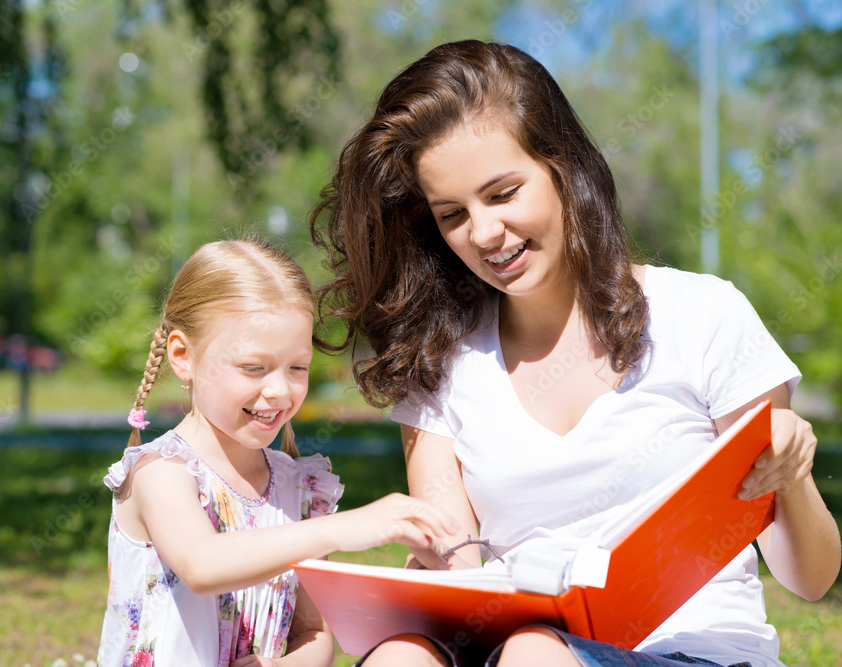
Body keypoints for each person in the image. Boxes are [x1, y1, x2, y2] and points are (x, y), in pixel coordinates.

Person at [309, 40, 840, 667]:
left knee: (536, 652)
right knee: (410, 657)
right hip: (515, 647)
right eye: (452, 214)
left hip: (695, 655)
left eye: (503, 193)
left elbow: (809, 581)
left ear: (564, 168)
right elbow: (454, 565)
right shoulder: (440, 362)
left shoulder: (703, 315)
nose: (482, 234)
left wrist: (793, 479)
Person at [95, 238, 459, 667]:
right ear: (183, 356)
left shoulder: (300, 490)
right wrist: (345, 528)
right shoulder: (162, 473)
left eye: (297, 368)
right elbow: (202, 564)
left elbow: (314, 632)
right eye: (254, 367)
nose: (281, 391)